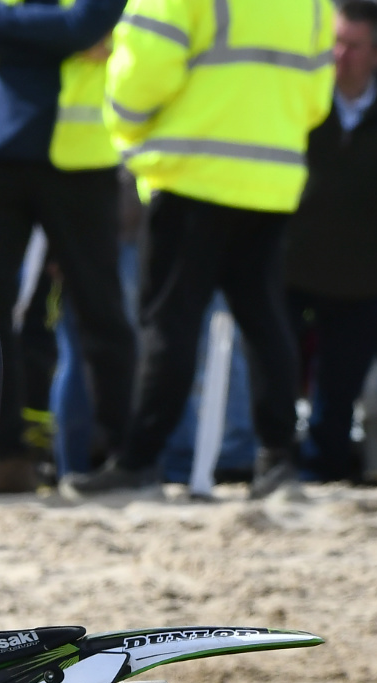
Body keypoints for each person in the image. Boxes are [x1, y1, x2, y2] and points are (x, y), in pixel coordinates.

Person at [66, 0, 333, 498]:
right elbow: (317, 98)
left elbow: (141, 74)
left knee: (170, 324)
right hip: (271, 180)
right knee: (265, 320)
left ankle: (140, 460)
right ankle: (277, 457)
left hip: (190, 176)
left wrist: (127, 130)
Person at [0, 0, 135, 494]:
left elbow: (79, 25)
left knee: (99, 311)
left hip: (75, 161)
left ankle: (113, 456)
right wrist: (57, 40)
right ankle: (2, 455)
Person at [287, 0, 377, 482]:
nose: (339, 55)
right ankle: (275, 463)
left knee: (338, 390)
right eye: (334, 42)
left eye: (352, 45)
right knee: (276, 375)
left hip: (366, 275)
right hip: (289, 264)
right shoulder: (299, 97)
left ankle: (323, 475)